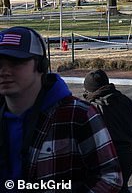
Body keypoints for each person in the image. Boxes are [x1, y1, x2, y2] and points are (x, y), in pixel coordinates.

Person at [0, 26, 122, 192]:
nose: (3, 71)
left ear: (41, 66)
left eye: (15, 62)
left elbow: (110, 178)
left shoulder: (78, 115)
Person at [84, 70, 132, 193]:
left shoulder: (92, 109)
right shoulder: (124, 100)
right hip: (127, 157)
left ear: (89, 90)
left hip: (105, 161)